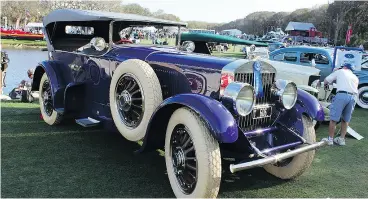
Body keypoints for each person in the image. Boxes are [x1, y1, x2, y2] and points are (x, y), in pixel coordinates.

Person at [321, 63, 359, 146]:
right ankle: (341, 139)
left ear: (345, 67)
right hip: (353, 97)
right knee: (346, 119)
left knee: (333, 118)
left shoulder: (341, 71)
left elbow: (326, 80)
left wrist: (325, 84)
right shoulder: (355, 77)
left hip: (342, 95)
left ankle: (330, 139)